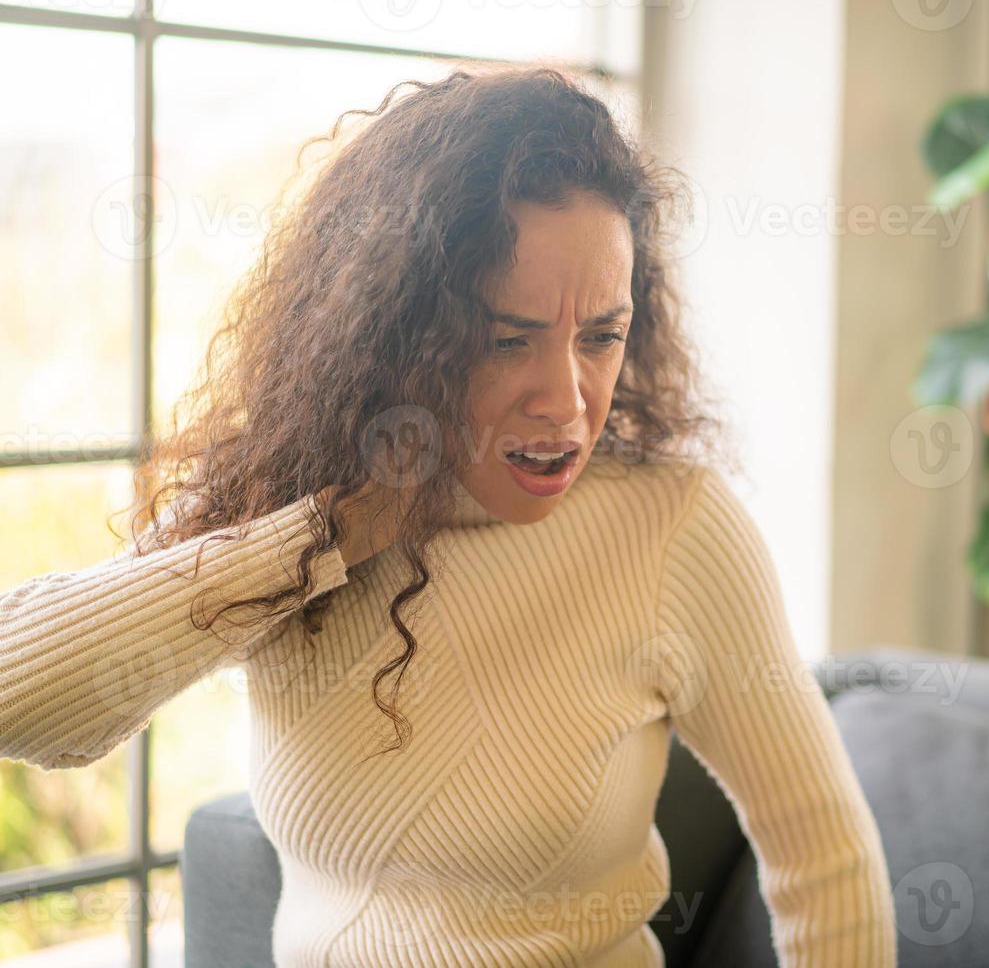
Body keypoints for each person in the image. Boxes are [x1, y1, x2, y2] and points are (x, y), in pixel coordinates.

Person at [0, 65, 897, 966]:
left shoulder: (671, 527)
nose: (568, 402)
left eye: (601, 336)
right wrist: (333, 537)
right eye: (509, 341)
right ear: (398, 334)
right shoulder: (280, 508)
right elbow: (18, 698)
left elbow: (827, 858)